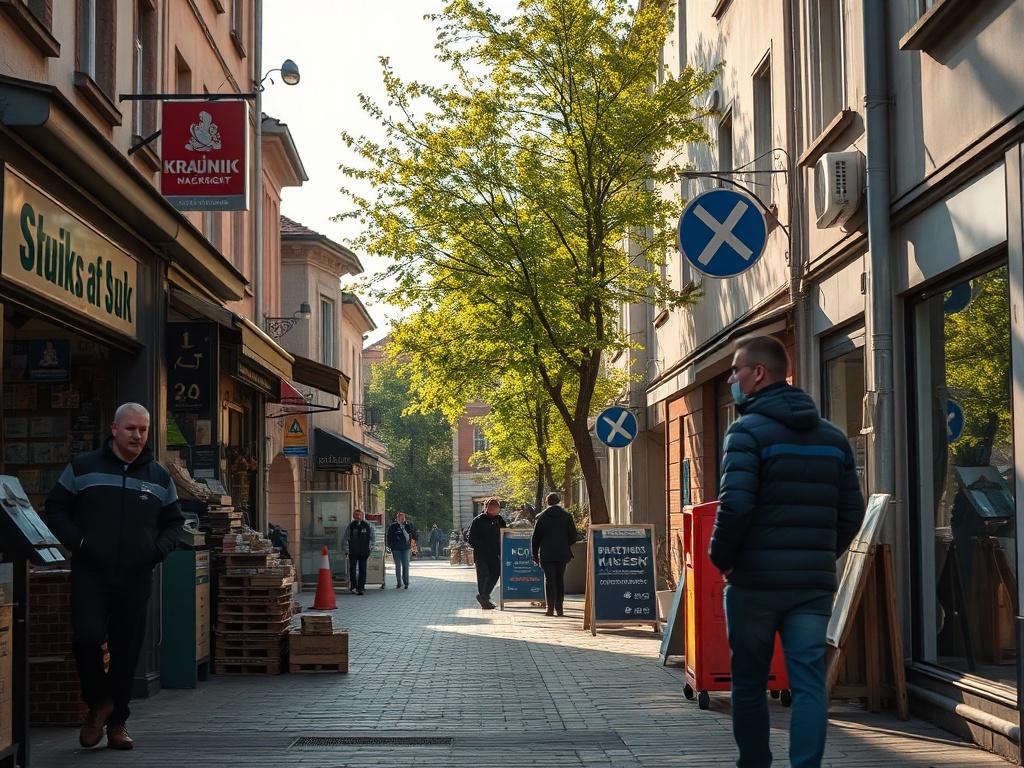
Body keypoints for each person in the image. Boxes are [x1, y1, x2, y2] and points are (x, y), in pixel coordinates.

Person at [708, 335, 865, 768]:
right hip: (811, 587)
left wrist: (723, 559)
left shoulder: (745, 433)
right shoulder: (833, 439)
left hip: (753, 584)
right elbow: (853, 514)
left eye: (737, 369)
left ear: (758, 373)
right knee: (810, 685)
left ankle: (754, 764)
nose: (733, 378)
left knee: (749, 683)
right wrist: (818, 553)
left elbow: (735, 505)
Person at [44, 403, 185, 751]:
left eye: (143, 430)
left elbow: (174, 522)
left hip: (136, 575)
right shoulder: (83, 467)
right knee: (87, 637)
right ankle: (99, 705)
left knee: (126, 650)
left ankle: (117, 722)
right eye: (131, 429)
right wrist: (79, 542)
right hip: (91, 571)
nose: (137, 435)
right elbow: (56, 507)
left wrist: (156, 551)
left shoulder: (159, 476)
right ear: (114, 429)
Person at [531, 492, 578, 617]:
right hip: (562, 553)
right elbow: (574, 536)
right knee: (559, 580)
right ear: (559, 501)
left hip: (547, 554)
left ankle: (550, 608)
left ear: (547, 502)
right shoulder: (567, 516)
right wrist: (565, 544)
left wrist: (535, 554)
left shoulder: (541, 517)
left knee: (549, 580)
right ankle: (560, 608)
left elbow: (535, 538)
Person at [468, 497, 506, 609]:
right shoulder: (478, 521)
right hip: (481, 554)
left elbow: (505, 534)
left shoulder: (499, 520)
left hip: (495, 554)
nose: (493, 511)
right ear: (486, 507)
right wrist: (483, 544)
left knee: (495, 573)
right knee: (483, 574)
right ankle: (484, 597)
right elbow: (471, 540)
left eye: (496, 509)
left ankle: (484, 596)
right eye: (491, 509)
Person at [342, 508, 375, 595]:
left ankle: (361, 587)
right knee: (352, 568)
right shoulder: (351, 526)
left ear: (362, 515)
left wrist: (371, 548)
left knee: (362, 568)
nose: (357, 517)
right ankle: (353, 586)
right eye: (355, 515)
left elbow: (372, 538)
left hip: (364, 551)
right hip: (353, 551)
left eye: (358, 515)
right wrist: (346, 549)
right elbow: (346, 538)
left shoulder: (368, 525)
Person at [386, 512, 417, 588]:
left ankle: (406, 581)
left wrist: (413, 546)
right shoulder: (393, 526)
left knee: (406, 564)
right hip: (396, 548)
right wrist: (389, 546)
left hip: (406, 548)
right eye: (400, 518)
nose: (402, 519)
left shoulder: (408, 526)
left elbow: (414, 535)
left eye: (403, 518)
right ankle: (399, 582)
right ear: (397, 518)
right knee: (398, 565)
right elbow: (389, 536)